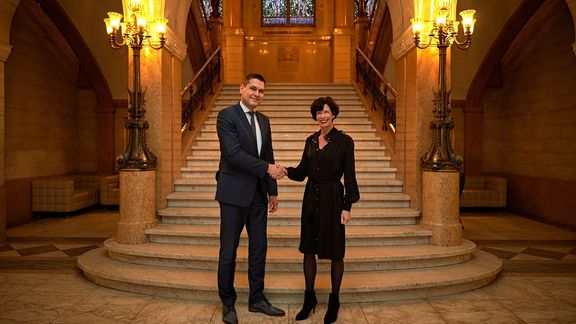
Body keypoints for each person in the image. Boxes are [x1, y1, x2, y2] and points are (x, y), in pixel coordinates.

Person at [280, 96, 360, 324]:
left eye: (326, 112)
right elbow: (302, 171)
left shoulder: (345, 141)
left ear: (334, 114)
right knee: (308, 249)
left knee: (336, 252)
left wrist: (347, 205)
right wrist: (284, 170)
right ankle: (309, 299)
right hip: (311, 198)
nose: (322, 116)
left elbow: (350, 176)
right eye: (318, 113)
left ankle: (334, 301)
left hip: (334, 198)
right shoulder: (310, 141)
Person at [215, 73, 286, 324]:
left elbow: (268, 154)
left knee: (259, 249)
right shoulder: (226, 116)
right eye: (253, 89)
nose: (257, 94)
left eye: (262, 91)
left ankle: (256, 299)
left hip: (258, 194)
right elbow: (233, 154)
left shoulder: (264, 121)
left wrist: (273, 190)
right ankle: (228, 303)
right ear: (242, 88)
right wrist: (268, 169)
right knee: (228, 252)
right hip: (233, 194)